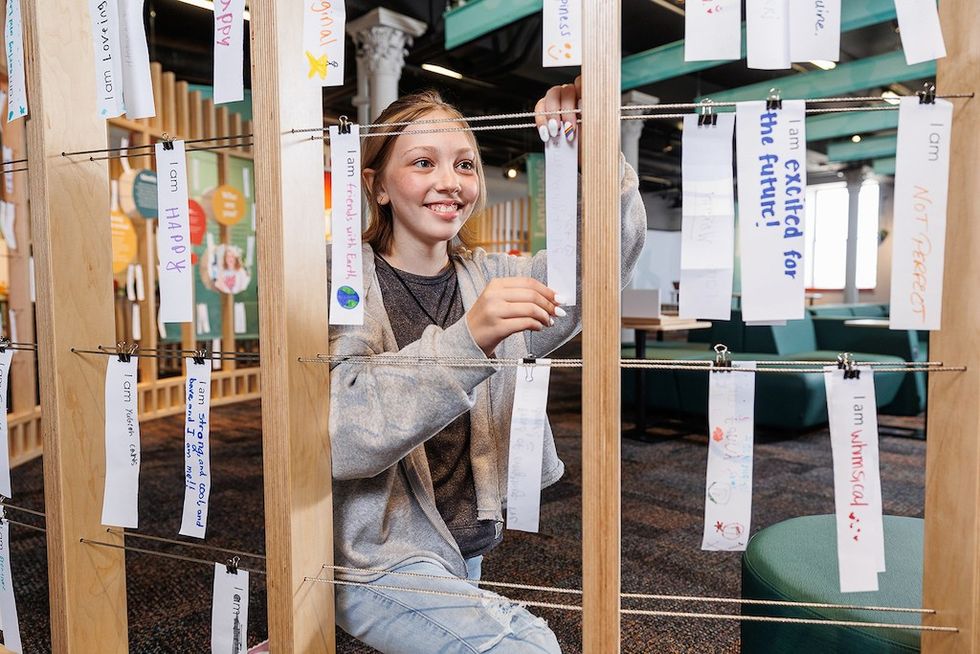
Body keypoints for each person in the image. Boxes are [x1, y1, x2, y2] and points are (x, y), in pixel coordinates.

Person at [327, 79, 647, 653]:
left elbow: (599, 270)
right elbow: (345, 432)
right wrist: (470, 338)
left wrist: (590, 147)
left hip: (464, 555)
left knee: (539, 639)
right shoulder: (348, 284)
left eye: (466, 165)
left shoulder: (491, 275)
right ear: (375, 185)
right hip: (377, 562)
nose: (449, 182)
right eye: (423, 162)